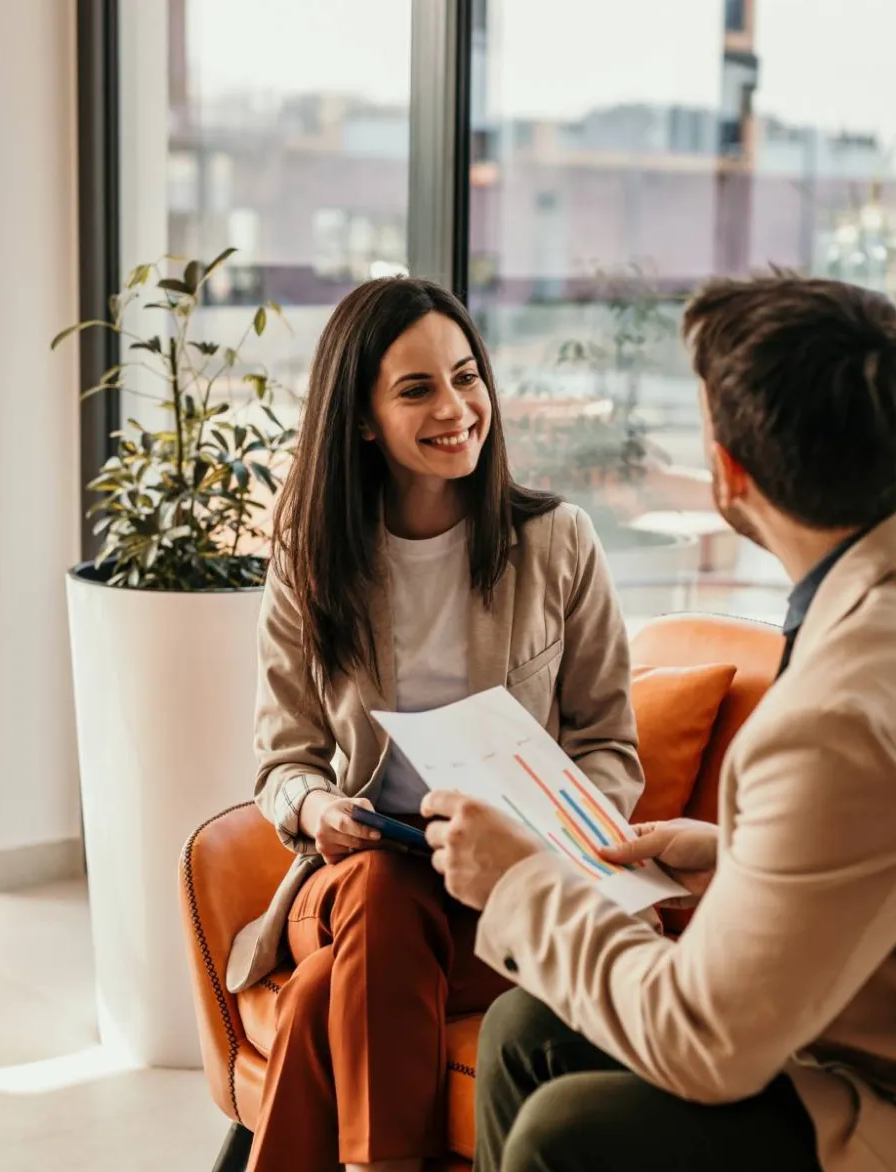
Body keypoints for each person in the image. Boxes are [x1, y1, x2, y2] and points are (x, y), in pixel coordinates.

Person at [424, 274, 896, 1172]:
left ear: (729, 472)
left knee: (566, 1133)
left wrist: (523, 881)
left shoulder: (842, 715)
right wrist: (737, 850)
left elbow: (703, 1045)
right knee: (530, 1026)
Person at [226, 276, 644, 1172]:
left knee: (320, 1005)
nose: (456, 408)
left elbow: (609, 743)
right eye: (417, 389)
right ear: (365, 418)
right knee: (382, 888)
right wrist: (314, 810)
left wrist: (545, 825)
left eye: (466, 377)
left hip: (500, 881)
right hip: (354, 878)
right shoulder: (312, 554)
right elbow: (282, 760)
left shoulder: (558, 542)